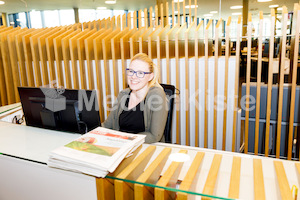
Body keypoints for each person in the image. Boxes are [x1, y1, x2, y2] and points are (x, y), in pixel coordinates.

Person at [102, 53, 168, 143]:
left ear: (150, 76)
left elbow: (154, 136)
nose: (133, 76)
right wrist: (90, 131)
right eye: (131, 71)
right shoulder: (123, 95)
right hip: (120, 145)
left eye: (140, 73)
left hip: (145, 147)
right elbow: (107, 126)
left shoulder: (156, 95)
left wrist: (124, 140)